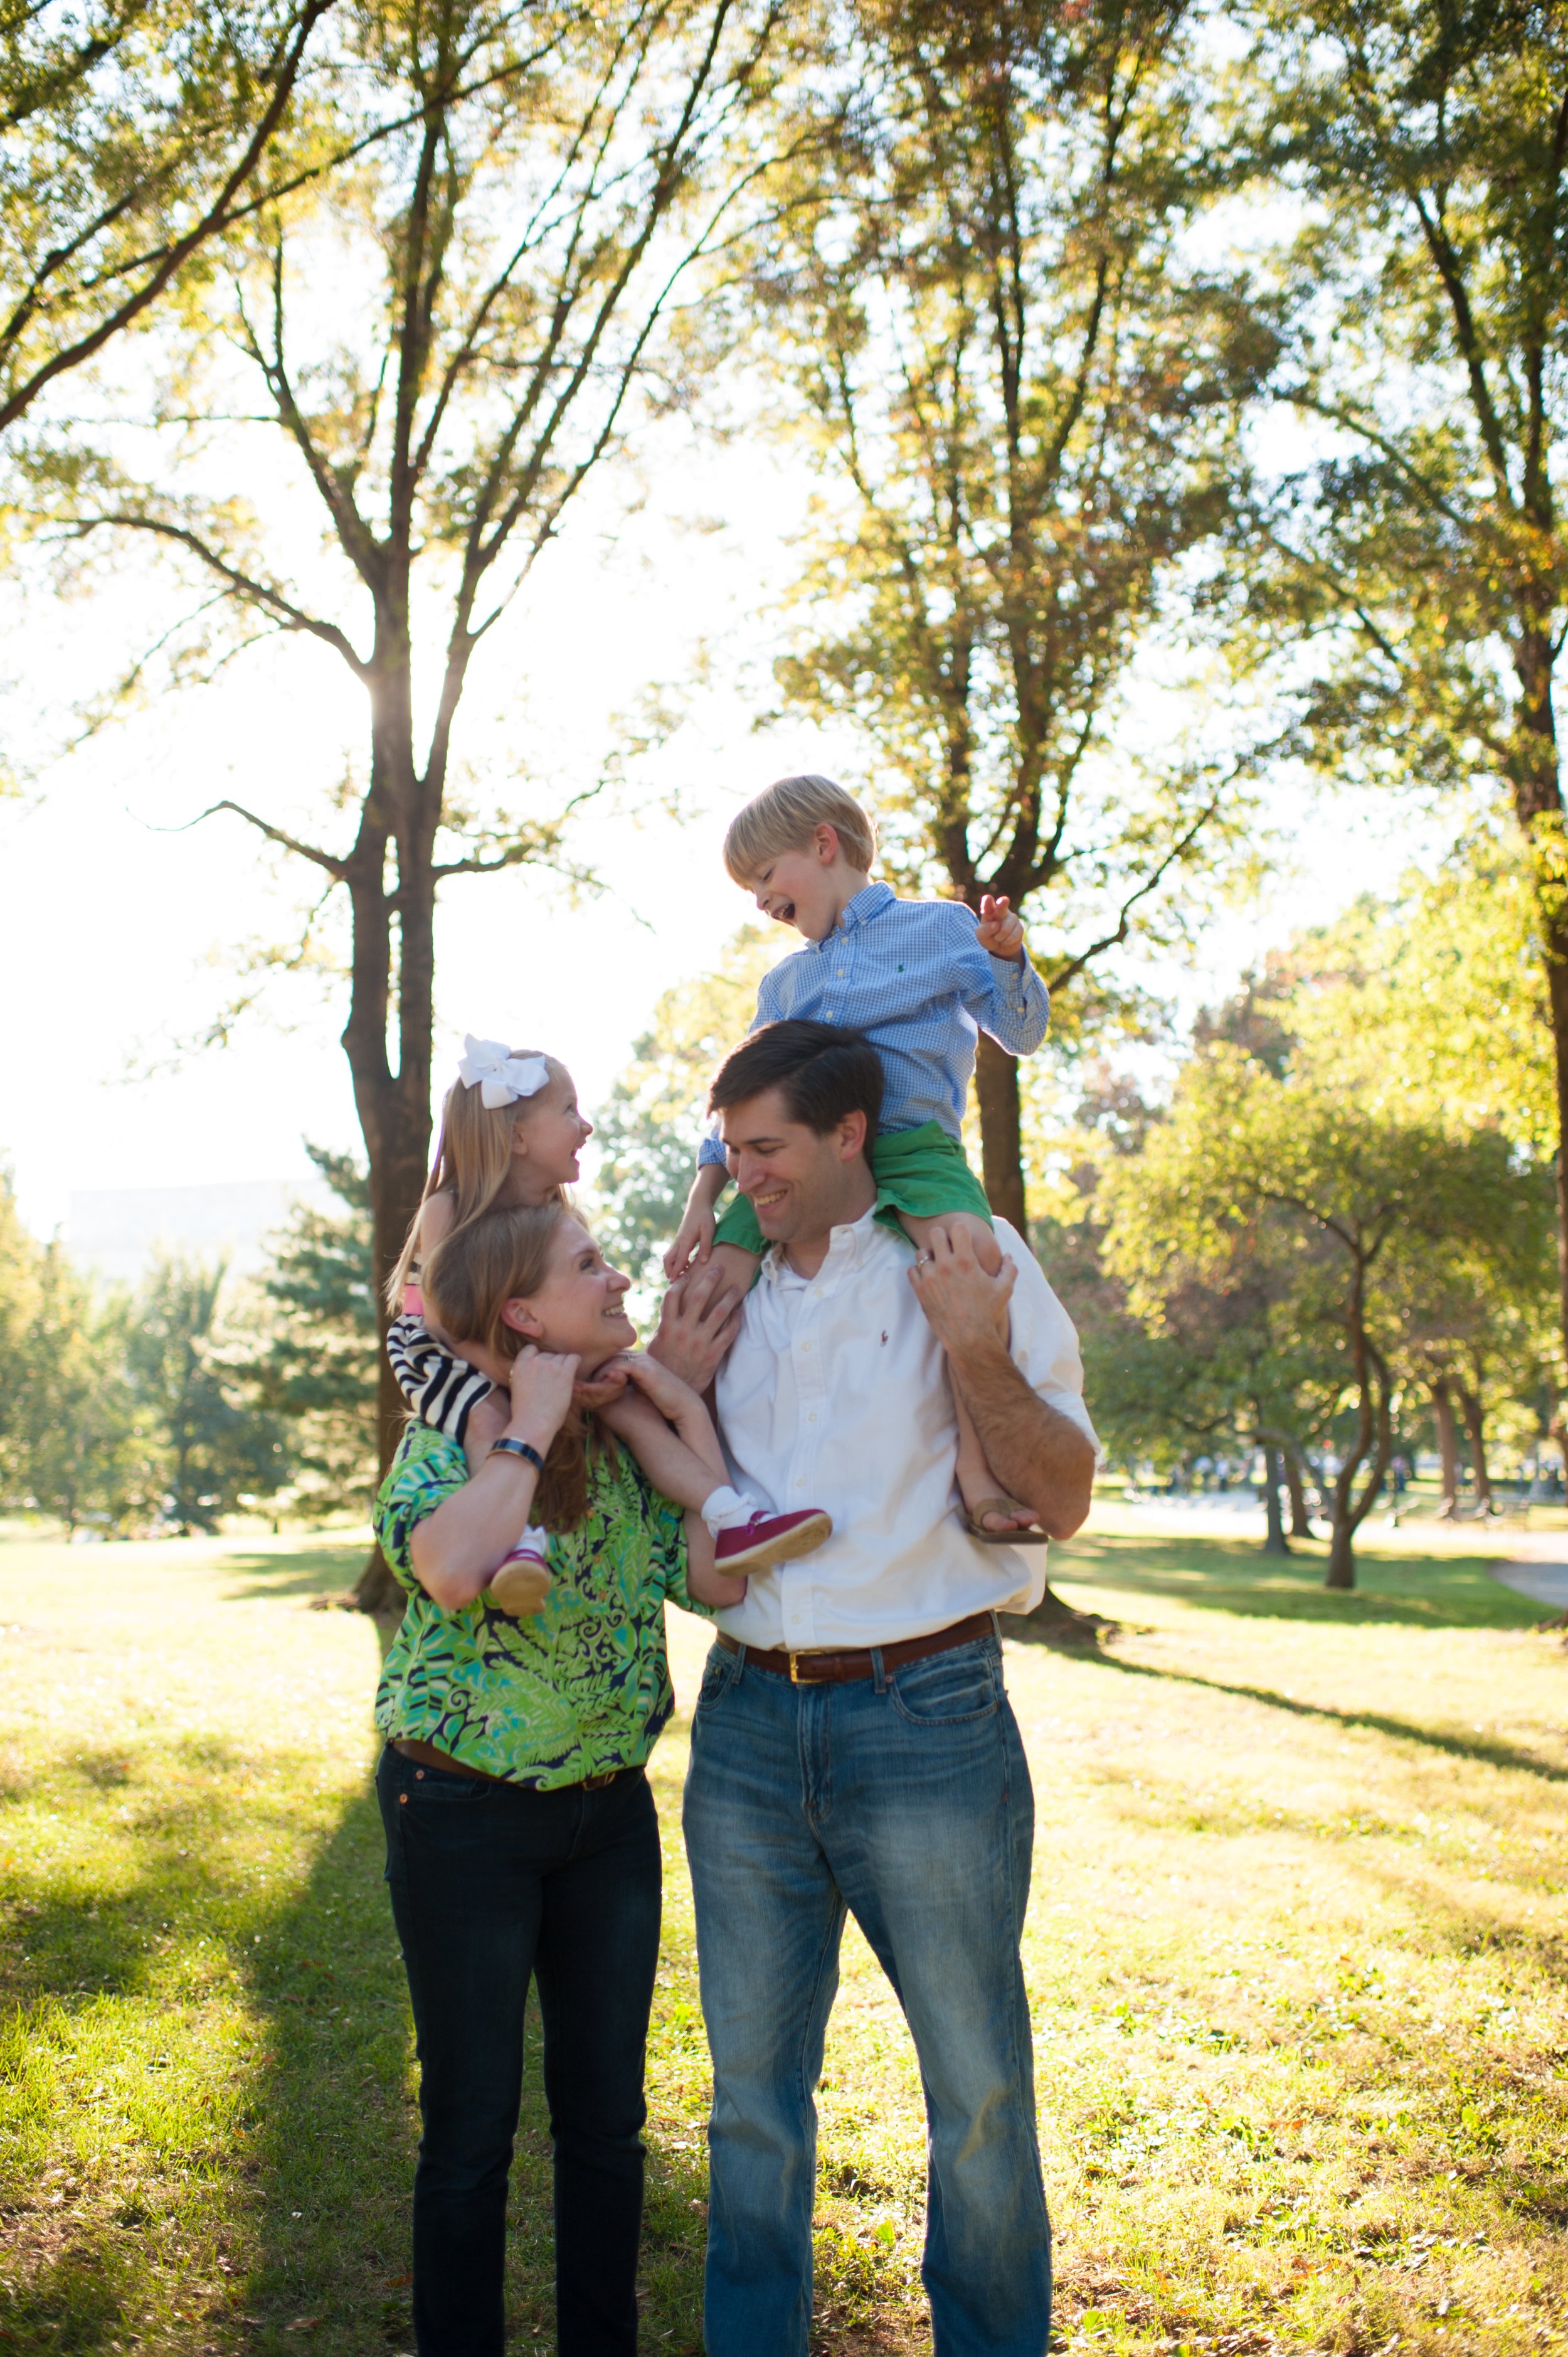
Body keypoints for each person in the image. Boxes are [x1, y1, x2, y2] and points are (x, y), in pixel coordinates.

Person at [662, 1018, 1098, 2357]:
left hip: (927, 1720)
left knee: (972, 2092)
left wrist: (970, 1345)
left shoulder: (969, 1259)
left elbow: (1063, 1494)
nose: (746, 1176)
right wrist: (670, 1381)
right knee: (748, 2100)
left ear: (851, 1133)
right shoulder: (720, 1291)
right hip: (742, 1726)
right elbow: (680, 1526)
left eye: (769, 1148)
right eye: (731, 1152)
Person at [373, 1195, 751, 2357]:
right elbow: (444, 1566)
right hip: (461, 1819)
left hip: (607, 1822)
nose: (619, 1276)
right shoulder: (449, 1442)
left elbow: (722, 1580)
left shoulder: (629, 1440)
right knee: (471, 2128)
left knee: (606, 2125)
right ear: (523, 1310)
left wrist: (684, 1412)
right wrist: (530, 1430)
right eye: (590, 1263)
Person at [664, 772, 1051, 1541]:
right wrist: (702, 1199)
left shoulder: (940, 930)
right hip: (796, 1160)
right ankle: (709, 1498)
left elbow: (1022, 1031)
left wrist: (1010, 957)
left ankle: (978, 1476)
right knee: (708, 1289)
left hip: (912, 1144)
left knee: (969, 1267)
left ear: (823, 844)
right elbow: (737, 1098)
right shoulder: (785, 983)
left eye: (765, 878)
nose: (761, 903)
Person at [386, 1033, 832, 1578]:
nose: (586, 1124)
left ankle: (732, 1517)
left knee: (636, 1414)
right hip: (446, 1353)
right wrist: (534, 1382)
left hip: (539, 1357)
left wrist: (592, 1376)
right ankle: (520, 1542)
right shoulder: (447, 1208)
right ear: (518, 1136)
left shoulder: (557, 1213)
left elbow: (571, 1312)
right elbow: (446, 1326)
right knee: (488, 1419)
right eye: (569, 1110)